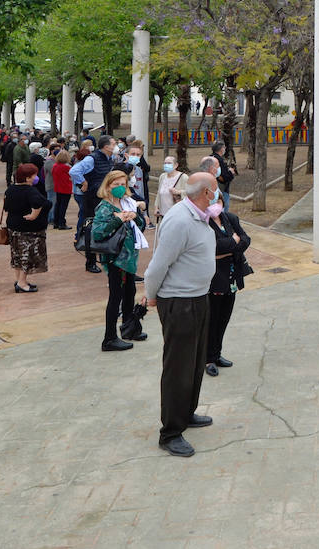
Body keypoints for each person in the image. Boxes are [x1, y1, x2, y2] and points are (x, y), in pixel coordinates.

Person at [142, 172, 219, 458]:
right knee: (178, 367)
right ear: (207, 193)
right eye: (216, 188)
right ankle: (171, 431)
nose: (219, 192)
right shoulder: (179, 220)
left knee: (196, 361)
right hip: (178, 302)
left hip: (199, 298)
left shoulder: (201, 216)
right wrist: (151, 295)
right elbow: (158, 265)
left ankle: (187, 412)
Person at [93, 170, 148, 351]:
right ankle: (109, 338)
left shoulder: (127, 202)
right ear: (108, 186)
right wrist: (118, 219)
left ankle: (128, 328)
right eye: (115, 184)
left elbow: (140, 227)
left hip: (129, 258)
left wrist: (135, 216)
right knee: (115, 296)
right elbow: (98, 233)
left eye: (123, 184)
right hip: (115, 259)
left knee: (129, 292)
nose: (119, 188)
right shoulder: (104, 207)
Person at [205, 200, 251, 376]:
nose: (214, 205)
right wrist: (233, 242)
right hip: (214, 280)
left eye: (217, 201)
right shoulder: (203, 223)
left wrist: (229, 247)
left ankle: (217, 354)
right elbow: (211, 247)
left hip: (232, 278)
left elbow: (246, 239)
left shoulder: (230, 218)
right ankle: (208, 358)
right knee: (212, 320)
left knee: (224, 319)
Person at [70, 135, 118, 273]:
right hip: (91, 199)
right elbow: (74, 171)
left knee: (106, 227)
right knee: (91, 228)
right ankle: (90, 261)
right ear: (106, 146)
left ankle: (104, 257)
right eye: (114, 143)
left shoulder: (109, 159)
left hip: (104, 198)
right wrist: (82, 183)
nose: (116, 146)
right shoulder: (92, 158)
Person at [3, 164, 50, 293]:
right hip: (28, 229)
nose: (36, 177)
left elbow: (6, 207)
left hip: (13, 227)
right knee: (27, 256)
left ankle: (19, 280)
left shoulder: (11, 189)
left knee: (17, 254)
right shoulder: (30, 191)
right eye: (34, 175)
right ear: (28, 178)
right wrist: (34, 215)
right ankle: (22, 283)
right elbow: (39, 203)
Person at [156, 155, 187, 224]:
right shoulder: (162, 176)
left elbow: (191, 193)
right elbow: (159, 193)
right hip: (163, 214)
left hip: (177, 214)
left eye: (169, 163)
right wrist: (156, 207)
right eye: (165, 163)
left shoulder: (183, 177)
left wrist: (179, 192)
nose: (166, 165)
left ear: (176, 165)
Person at [51, 149, 74, 229]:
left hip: (57, 187)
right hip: (66, 188)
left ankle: (56, 222)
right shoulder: (67, 167)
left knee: (58, 205)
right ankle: (61, 223)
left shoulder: (55, 166)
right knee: (63, 206)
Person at [211, 141, 236, 208]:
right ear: (221, 149)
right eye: (224, 147)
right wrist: (230, 172)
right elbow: (224, 177)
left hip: (210, 188)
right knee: (223, 208)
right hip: (221, 188)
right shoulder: (219, 160)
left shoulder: (209, 158)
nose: (225, 149)